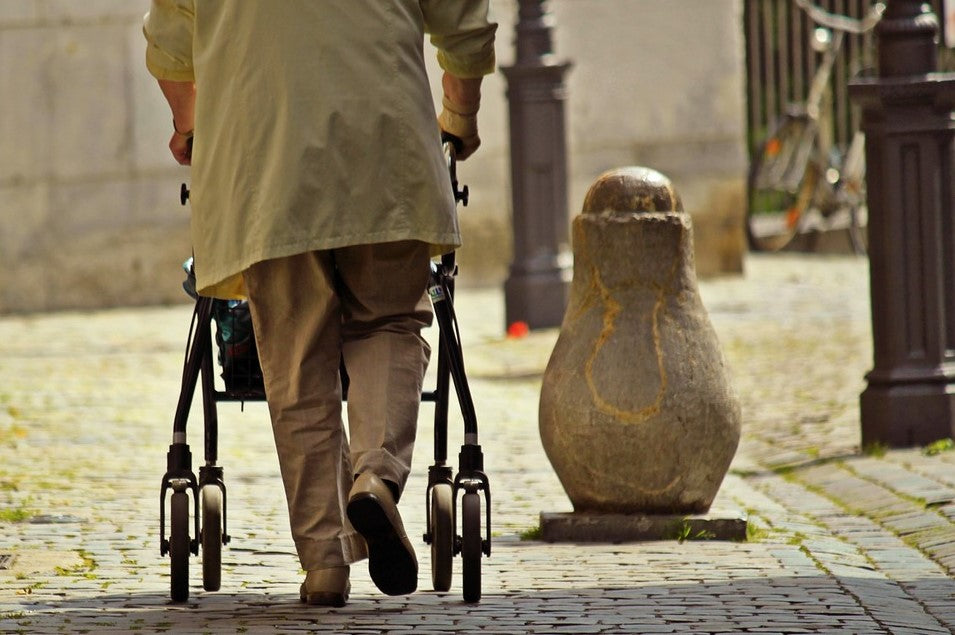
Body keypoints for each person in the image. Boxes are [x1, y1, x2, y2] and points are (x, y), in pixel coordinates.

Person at [143, 1, 496, 607]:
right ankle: (375, 475)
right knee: (389, 321)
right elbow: (464, 20)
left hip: (263, 155)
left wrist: (191, 124)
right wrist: (460, 115)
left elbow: (170, 46)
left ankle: (325, 562)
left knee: (296, 352)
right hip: (384, 141)